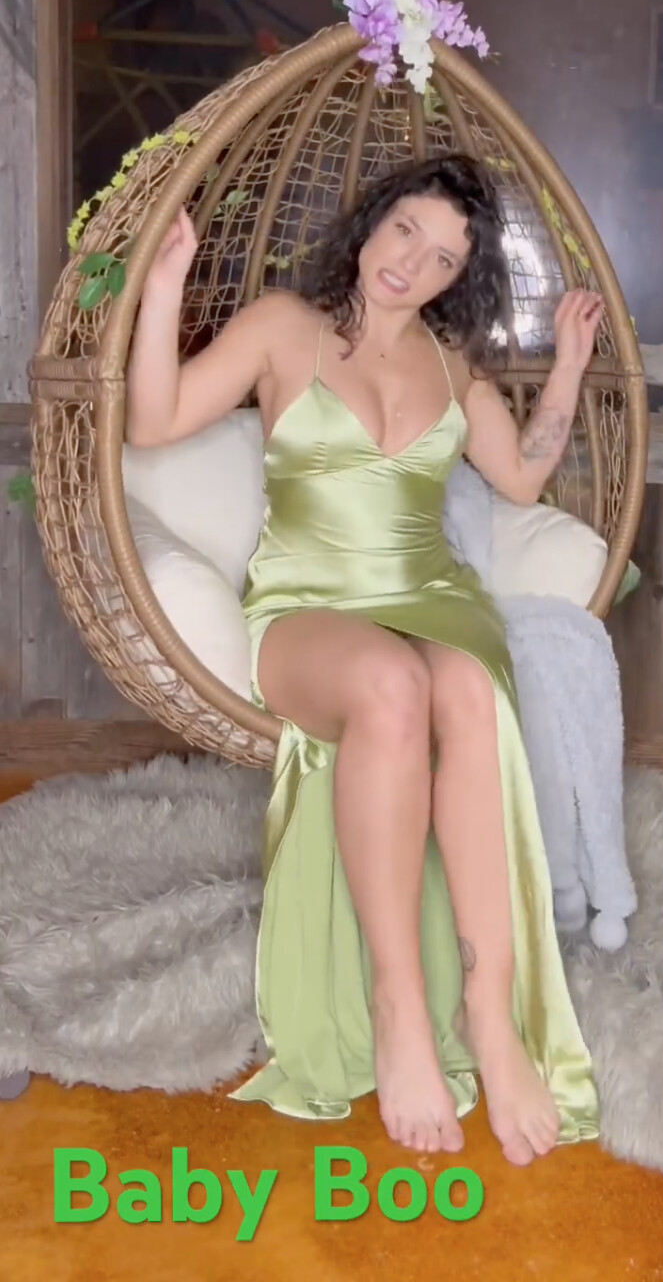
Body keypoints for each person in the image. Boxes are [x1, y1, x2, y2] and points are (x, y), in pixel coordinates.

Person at [125, 153, 603, 1167]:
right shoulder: (281, 327)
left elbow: (520, 477)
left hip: (430, 596)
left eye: (443, 259)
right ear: (373, 221)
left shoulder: (452, 363)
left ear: (458, 279)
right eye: (405, 232)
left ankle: (490, 1010)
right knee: (391, 685)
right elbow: (153, 422)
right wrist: (164, 285)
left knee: (465, 683)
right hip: (309, 604)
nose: (412, 264)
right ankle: (398, 1004)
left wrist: (566, 363)